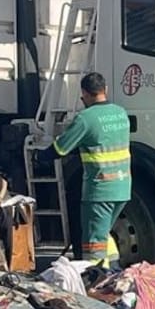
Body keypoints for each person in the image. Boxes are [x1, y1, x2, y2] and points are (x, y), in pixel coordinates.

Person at [43, 72, 132, 265]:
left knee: (94, 244)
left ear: (84, 93)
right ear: (105, 90)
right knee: (104, 235)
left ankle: (96, 282)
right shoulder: (120, 113)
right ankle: (114, 272)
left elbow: (60, 148)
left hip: (100, 190)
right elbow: (103, 142)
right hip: (123, 187)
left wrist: (39, 156)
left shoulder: (85, 118)